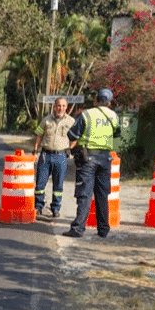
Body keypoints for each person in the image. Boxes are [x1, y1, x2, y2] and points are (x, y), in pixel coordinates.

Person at [63, 88, 121, 238]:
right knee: (102, 194)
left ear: (96, 99)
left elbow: (72, 134)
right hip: (106, 158)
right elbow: (117, 133)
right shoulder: (114, 116)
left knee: (85, 193)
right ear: (109, 102)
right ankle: (103, 229)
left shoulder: (87, 114)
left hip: (88, 158)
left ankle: (78, 229)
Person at [32, 97, 76, 218]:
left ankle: (56, 208)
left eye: (63, 106)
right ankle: (38, 206)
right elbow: (39, 136)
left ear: (66, 107)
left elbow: (76, 138)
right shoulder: (46, 120)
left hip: (61, 156)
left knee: (58, 185)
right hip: (45, 155)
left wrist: (69, 150)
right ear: (54, 106)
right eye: (58, 105)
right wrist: (35, 152)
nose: (60, 108)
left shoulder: (71, 122)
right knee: (40, 183)